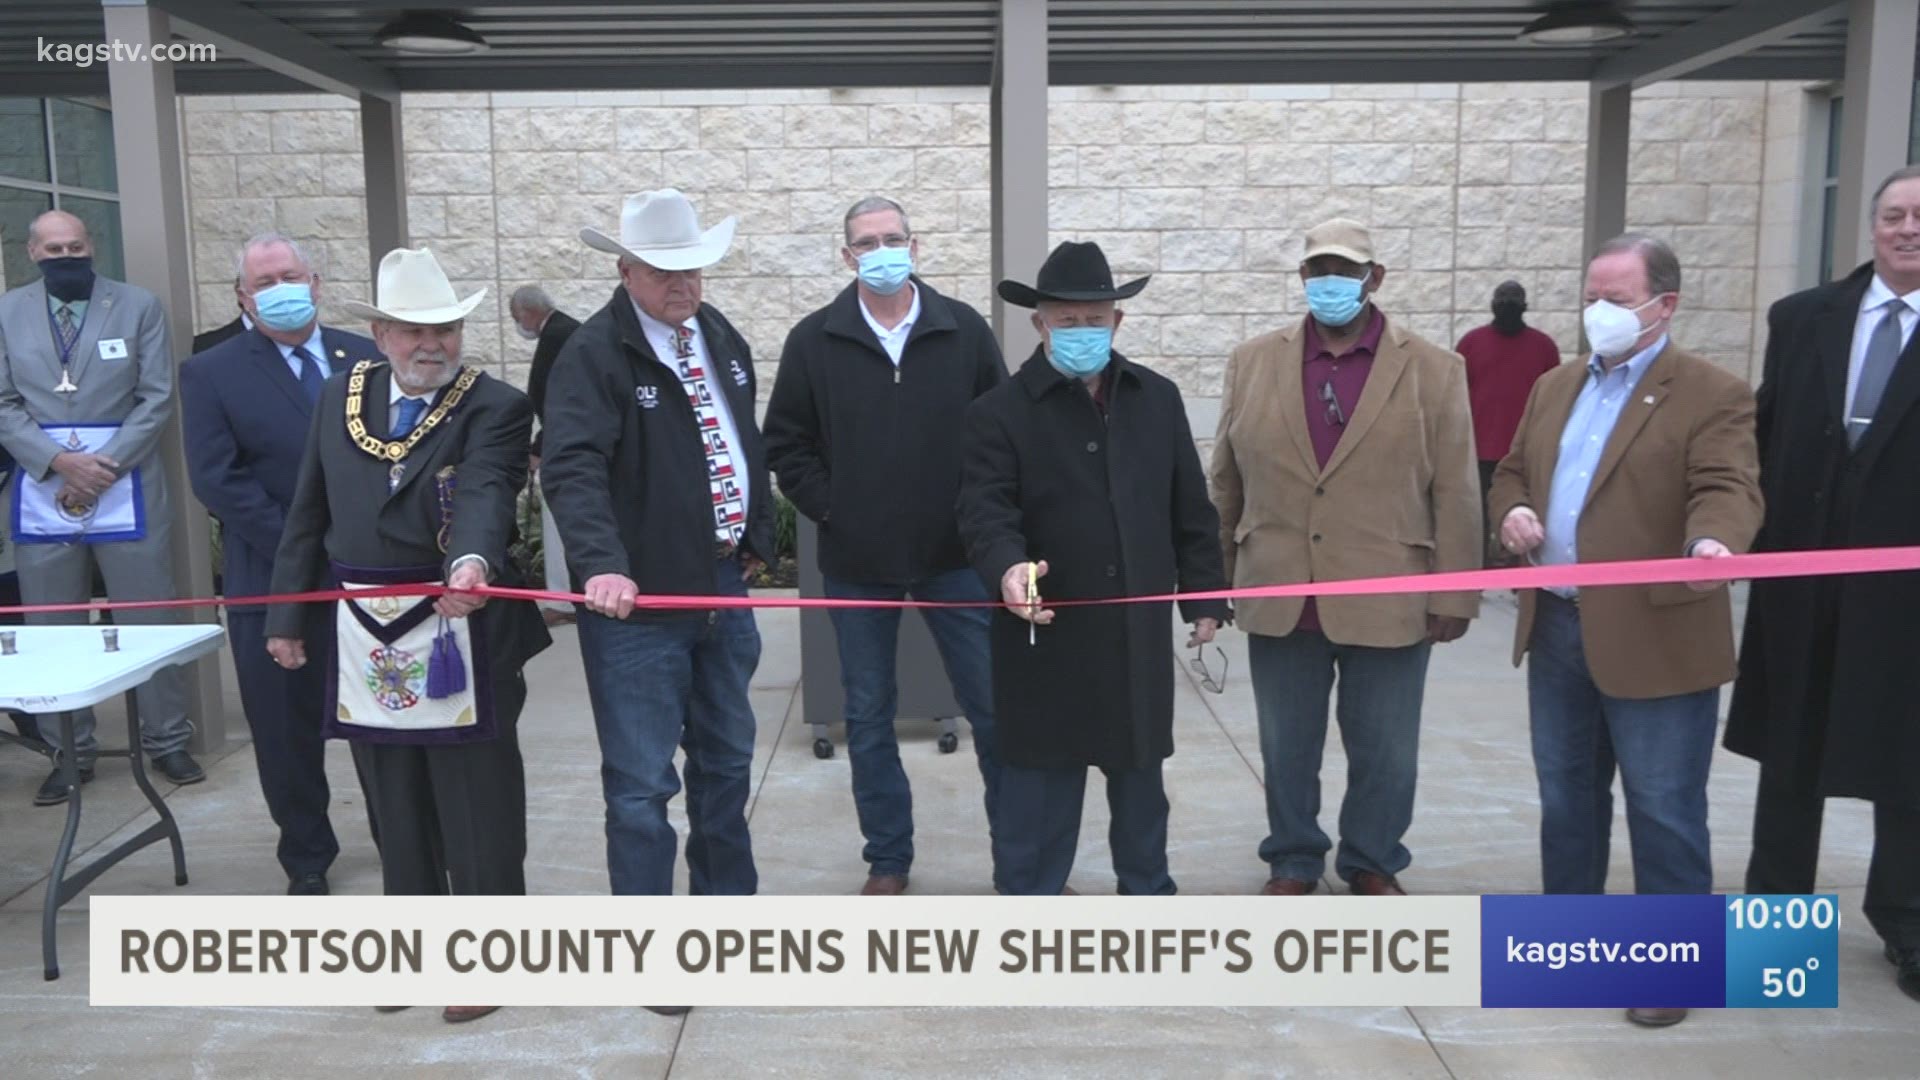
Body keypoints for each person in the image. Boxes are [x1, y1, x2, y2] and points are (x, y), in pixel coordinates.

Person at [265, 246, 550, 1024]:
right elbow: (308, 511)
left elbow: (490, 490)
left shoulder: (495, 403)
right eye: (415, 330)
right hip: (365, 633)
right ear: (382, 332)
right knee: (393, 798)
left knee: (476, 800)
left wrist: (472, 563)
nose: (433, 344)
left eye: (447, 329)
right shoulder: (337, 396)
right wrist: (287, 614)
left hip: (463, 623)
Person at [1492, 233, 1763, 1029]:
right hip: (1559, 629)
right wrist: (1509, 509)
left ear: (1664, 306)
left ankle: (1668, 968)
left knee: (1664, 805)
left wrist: (1715, 541)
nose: (1596, 313)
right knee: (1568, 801)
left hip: (1658, 633)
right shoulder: (1555, 384)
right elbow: (1513, 468)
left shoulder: (1711, 392)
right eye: (1589, 297)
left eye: (1615, 300)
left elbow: (1727, 485)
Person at [1209, 218, 1479, 898]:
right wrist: (1210, 583)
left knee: (1386, 750)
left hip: (1390, 596)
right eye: (1317, 270)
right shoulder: (1252, 361)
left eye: (1345, 270)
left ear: (1374, 278)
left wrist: (1456, 592)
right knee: (1285, 746)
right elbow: (1226, 481)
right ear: (1302, 279)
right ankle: (1293, 857)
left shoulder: (1435, 369)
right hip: (1280, 590)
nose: (1329, 283)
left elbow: (1456, 486)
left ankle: (1372, 857)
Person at [957, 240, 1228, 897]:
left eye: (1095, 319)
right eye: (1067, 320)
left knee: (1139, 780)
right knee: (1039, 785)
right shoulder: (999, 412)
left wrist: (1205, 601)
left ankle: (1146, 891)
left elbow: (1189, 510)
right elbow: (984, 513)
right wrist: (1007, 570)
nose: (1082, 331)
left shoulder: (1156, 400)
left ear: (1118, 321)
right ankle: (1029, 899)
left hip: (1133, 636)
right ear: (1039, 324)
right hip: (1042, 634)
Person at [544, 190, 769, 953]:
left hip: (721, 585)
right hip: (637, 607)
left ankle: (726, 921)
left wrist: (755, 535)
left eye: (694, 269)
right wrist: (602, 565)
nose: (683, 285)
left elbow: (742, 439)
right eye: (664, 271)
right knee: (642, 786)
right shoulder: (593, 353)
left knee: (727, 763)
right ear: (626, 270)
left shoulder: (718, 334)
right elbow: (571, 468)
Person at [765, 196, 1006, 895]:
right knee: (867, 714)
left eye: (892, 238)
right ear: (847, 257)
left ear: (915, 244)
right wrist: (835, 510)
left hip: (957, 559)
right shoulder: (815, 340)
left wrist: (979, 518)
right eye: (866, 243)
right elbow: (788, 443)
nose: (881, 251)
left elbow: (999, 434)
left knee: (993, 709)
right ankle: (888, 859)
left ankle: (1021, 857)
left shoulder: (963, 330)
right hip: (857, 564)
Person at [1727, 164, 1920, 1006]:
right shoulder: (1803, 318)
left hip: (1906, 594)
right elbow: (1763, 435)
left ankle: (1908, 923)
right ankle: (1775, 915)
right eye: (1894, 214)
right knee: (1791, 746)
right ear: (1871, 225)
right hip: (1802, 577)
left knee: (1907, 760)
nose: (1908, 228)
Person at [181, 232, 383, 896]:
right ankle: (306, 857)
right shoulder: (211, 370)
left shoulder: (366, 356)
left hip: (370, 577)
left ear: (317, 282)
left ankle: (401, 837)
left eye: (290, 276)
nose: (280, 291)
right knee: (285, 729)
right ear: (242, 296)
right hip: (271, 576)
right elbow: (217, 480)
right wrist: (308, 548)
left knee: (383, 718)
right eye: (264, 283)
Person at [0, 209, 202, 805]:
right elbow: (3, 401)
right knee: (52, 624)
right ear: (33, 253)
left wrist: (101, 467)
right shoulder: (7, 310)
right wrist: (59, 462)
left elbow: (156, 395)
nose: (68, 257)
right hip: (42, 485)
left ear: (93, 247)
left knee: (148, 616)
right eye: (55, 249)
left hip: (127, 479)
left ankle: (167, 739)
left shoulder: (136, 305)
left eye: (77, 246)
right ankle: (72, 751)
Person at [1456, 280, 1560, 565]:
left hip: (1525, 450)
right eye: (1502, 298)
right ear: (1492, 304)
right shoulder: (1471, 343)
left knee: (1522, 513)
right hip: (1477, 448)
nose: (1507, 304)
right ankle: (1475, 571)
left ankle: (1519, 573)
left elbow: (1554, 398)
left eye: (1513, 299)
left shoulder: (1543, 347)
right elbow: (1455, 394)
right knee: (1475, 515)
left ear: (1525, 306)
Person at [507, 284, 581, 625]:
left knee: (557, 523)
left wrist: (539, 448)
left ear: (526, 311)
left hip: (564, 446)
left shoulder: (560, 336)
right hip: (567, 441)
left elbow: (560, 402)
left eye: (515, 317)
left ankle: (563, 601)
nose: (518, 324)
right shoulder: (565, 331)